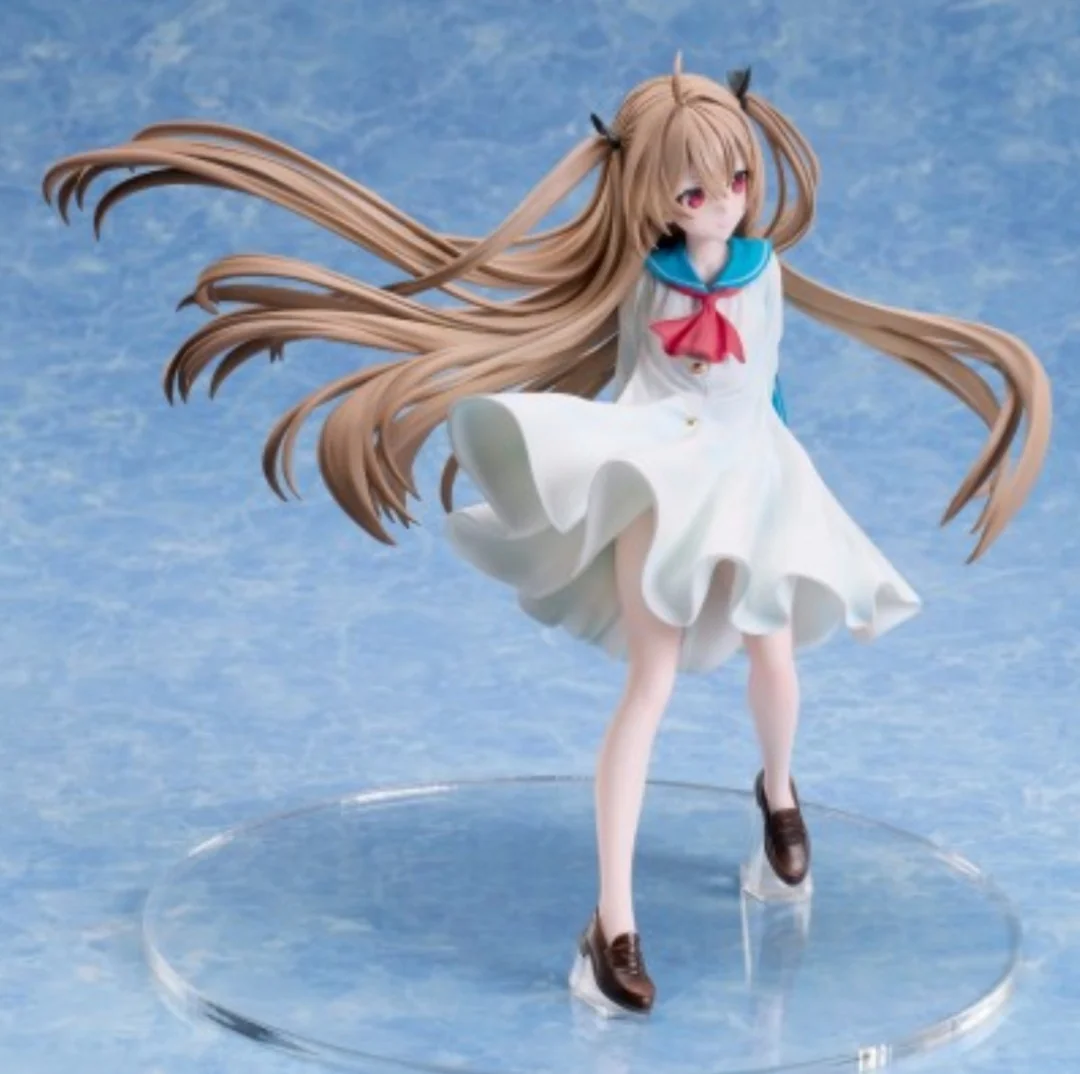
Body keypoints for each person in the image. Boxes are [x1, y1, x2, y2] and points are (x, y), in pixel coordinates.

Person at [42, 54, 1051, 1016]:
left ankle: (781, 799)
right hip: (662, 474)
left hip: (755, 470)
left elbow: (770, 380)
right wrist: (606, 463)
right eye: (695, 189)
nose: (722, 201)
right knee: (649, 687)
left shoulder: (765, 272)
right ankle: (613, 926)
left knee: (775, 657)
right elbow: (631, 381)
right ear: (657, 195)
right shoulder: (646, 279)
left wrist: (780, 477)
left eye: (736, 179)